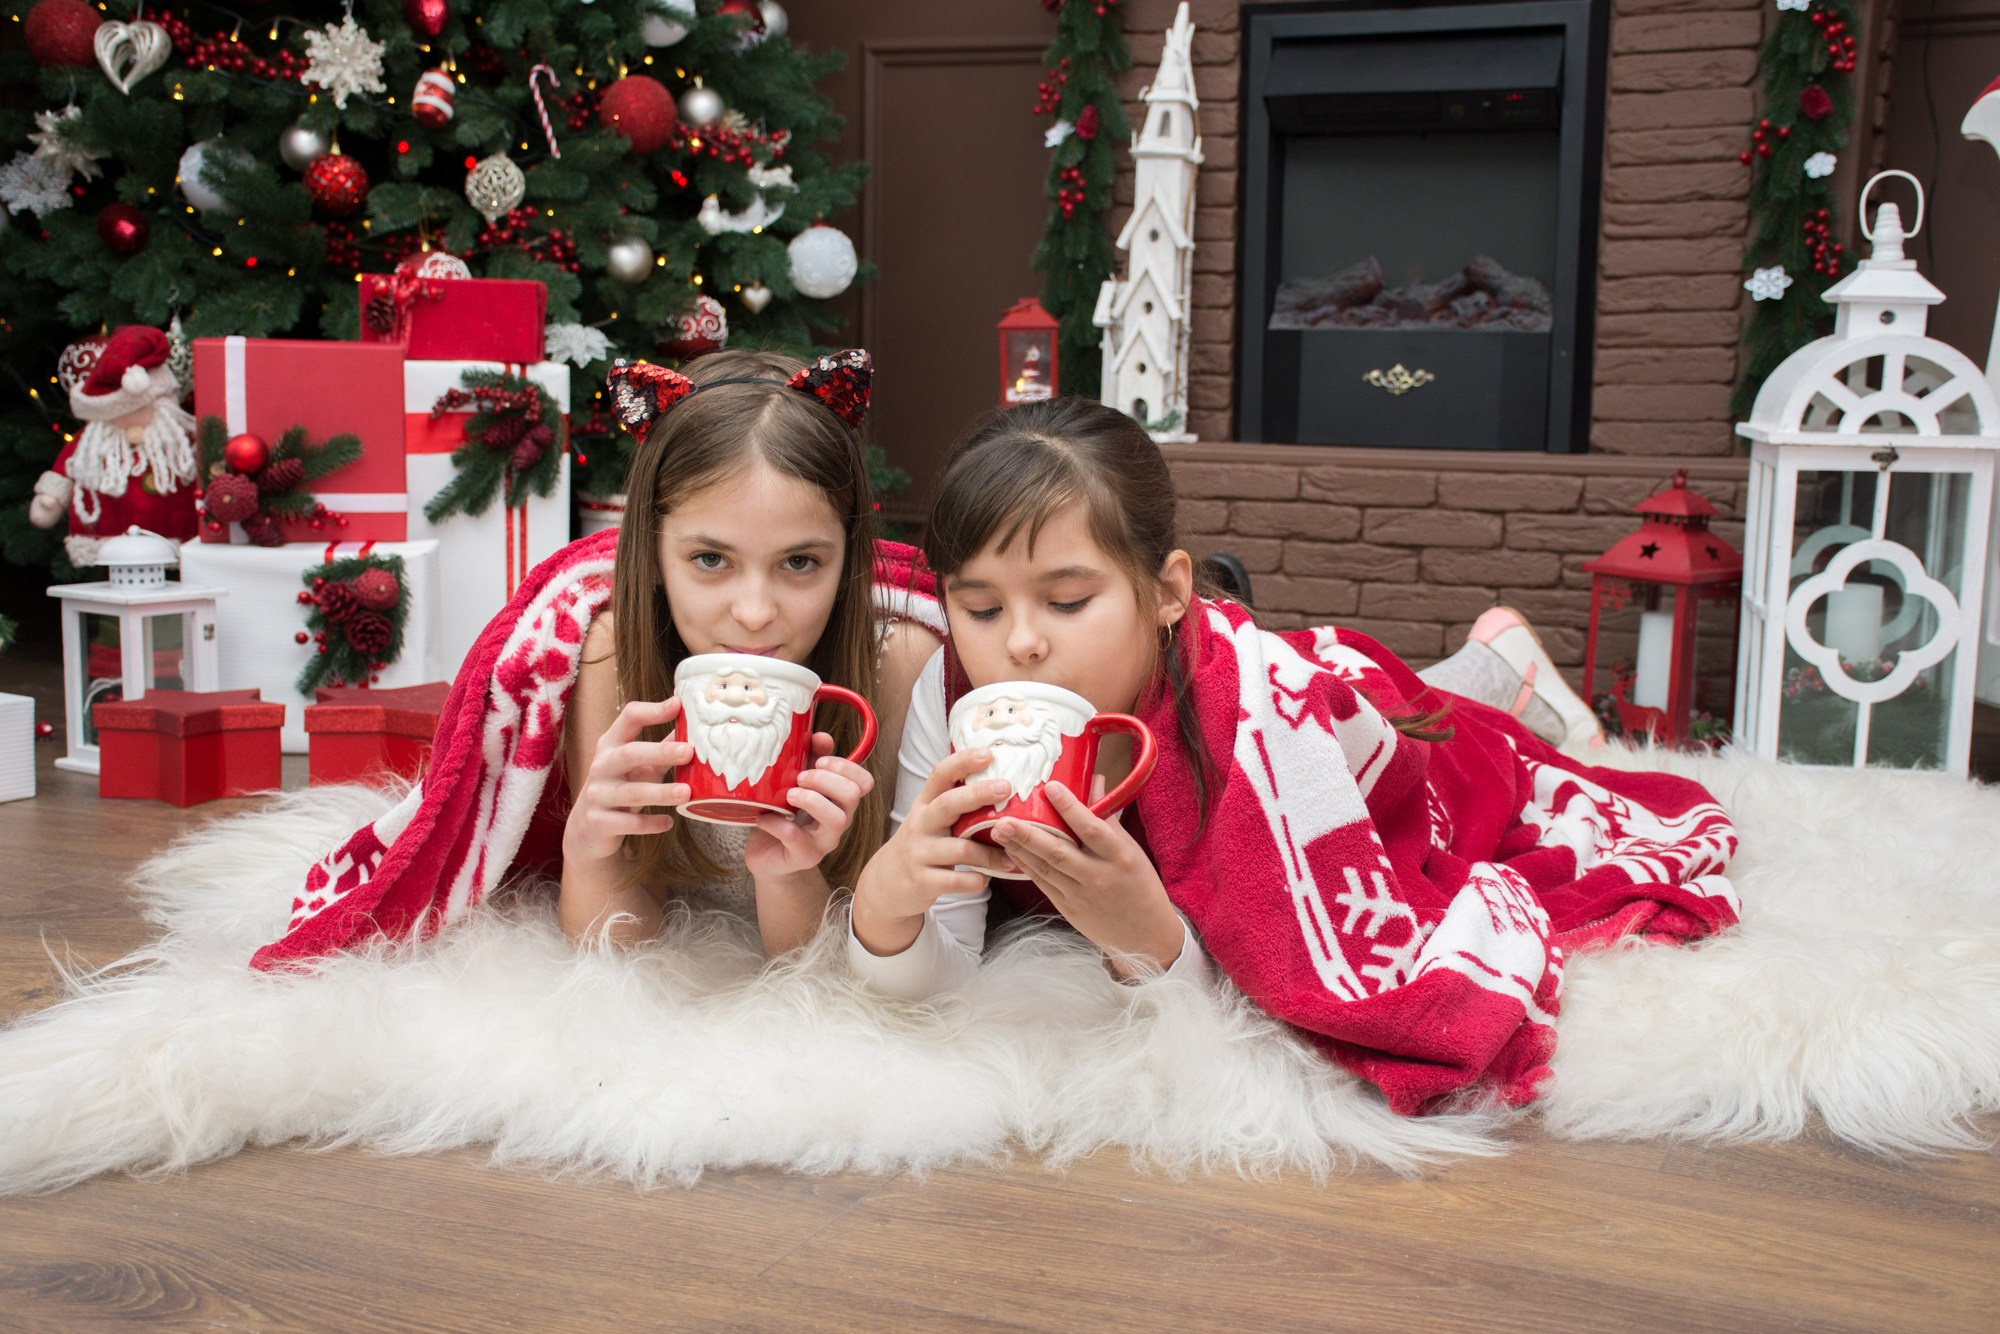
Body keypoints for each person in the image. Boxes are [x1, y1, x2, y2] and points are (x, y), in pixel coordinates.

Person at [844, 396, 1739, 1114]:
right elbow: (941, 968)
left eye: (1068, 601)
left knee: (1461, 748)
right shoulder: (956, 696)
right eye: (983, 608)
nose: (1020, 646)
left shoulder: (1256, 725)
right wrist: (886, 913)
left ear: (1165, 592)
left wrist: (1146, 939)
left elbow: (1289, 990)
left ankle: (1502, 673)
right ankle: (1490, 663)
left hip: (1358, 725)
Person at [248, 349, 944, 971]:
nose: (756, 611)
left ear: (849, 556)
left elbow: (840, 970)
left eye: (800, 562)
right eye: (710, 560)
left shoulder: (896, 662)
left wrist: (789, 875)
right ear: (651, 551)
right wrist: (588, 850)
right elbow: (615, 952)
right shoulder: (608, 653)